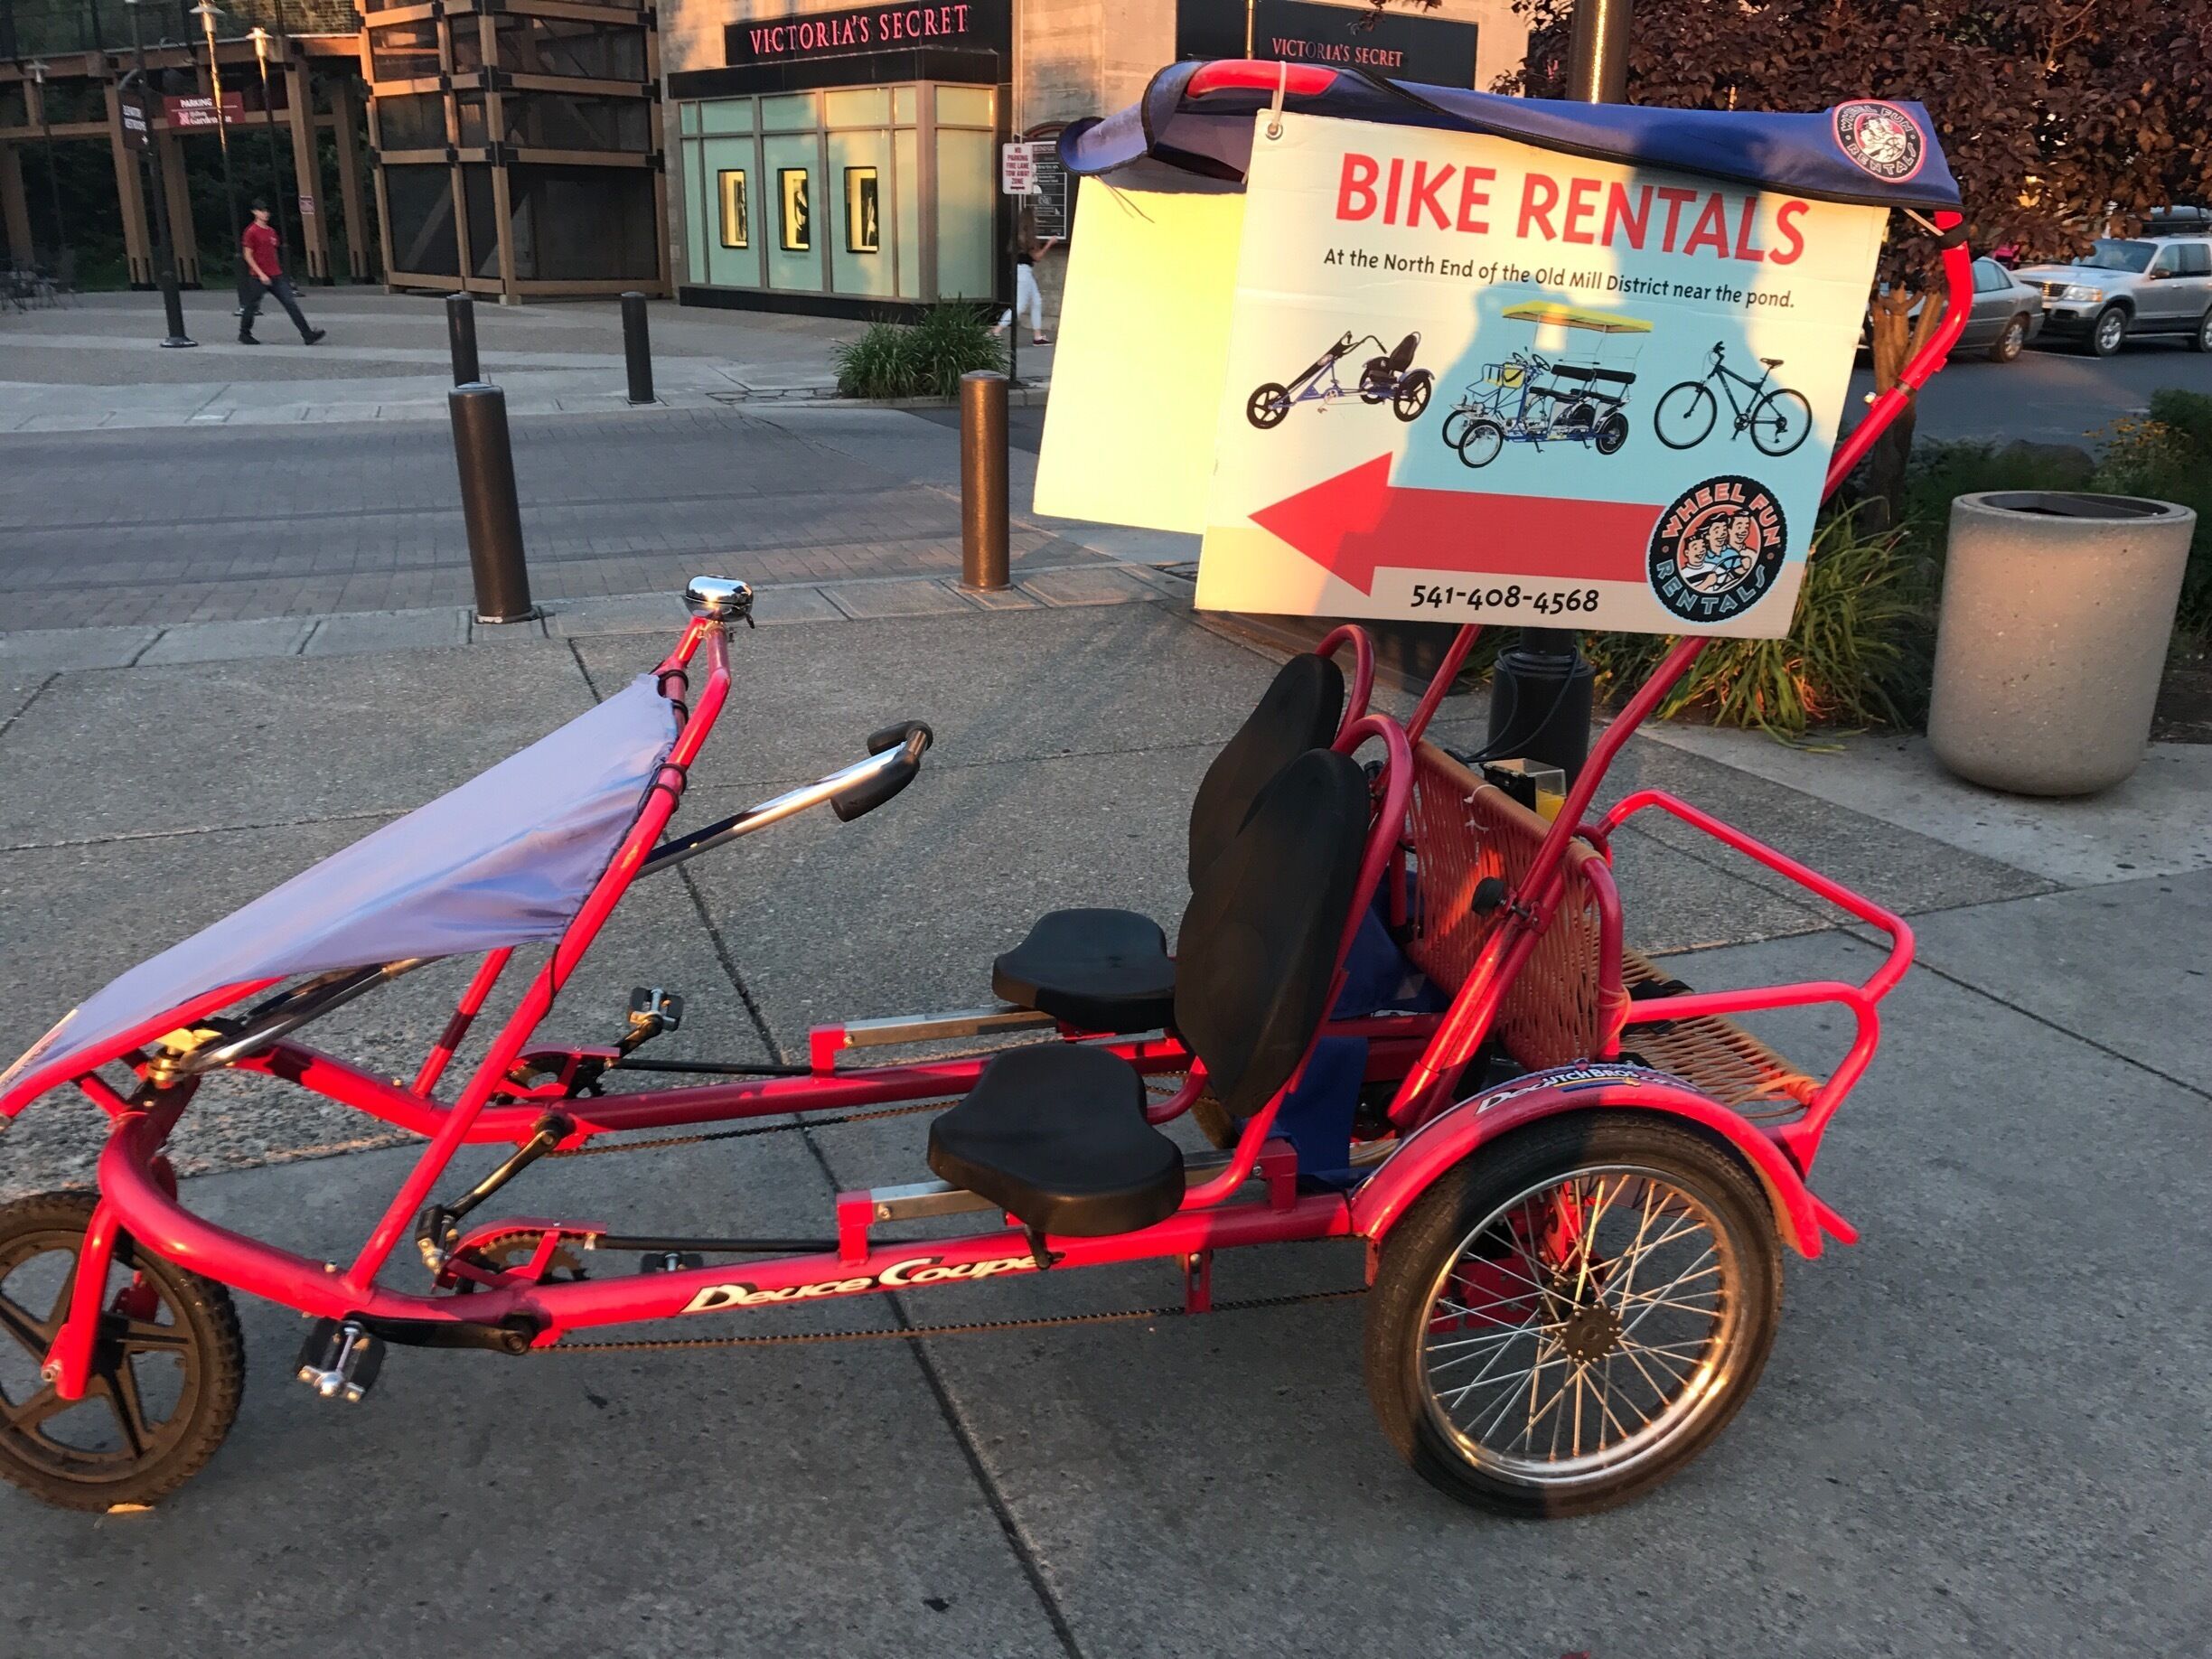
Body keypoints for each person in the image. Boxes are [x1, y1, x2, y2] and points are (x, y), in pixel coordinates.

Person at [239, 200, 325, 346]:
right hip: (258, 277)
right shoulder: (251, 231)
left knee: (290, 303)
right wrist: (260, 273)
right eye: (261, 211)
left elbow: (273, 252)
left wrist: (279, 270)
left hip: (276, 275)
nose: (265, 214)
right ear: (254, 212)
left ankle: (307, 334)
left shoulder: (271, 232)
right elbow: (248, 255)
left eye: (266, 211)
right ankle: (244, 333)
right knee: (252, 305)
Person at [994, 213, 1059, 345]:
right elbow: (1037, 257)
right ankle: (996, 330)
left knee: (1037, 301)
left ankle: (1038, 336)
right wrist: (1049, 244)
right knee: (1020, 305)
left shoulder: (1017, 237)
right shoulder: (1029, 240)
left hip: (1021, 271)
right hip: (1024, 273)